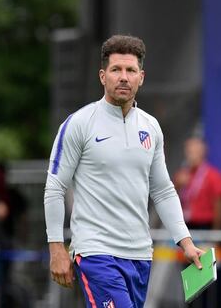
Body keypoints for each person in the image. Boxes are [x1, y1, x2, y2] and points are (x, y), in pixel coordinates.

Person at [44, 35, 203, 308]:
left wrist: (185, 242)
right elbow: (55, 187)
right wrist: (56, 247)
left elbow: (163, 190)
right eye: (116, 70)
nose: (123, 77)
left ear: (141, 77)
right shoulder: (79, 124)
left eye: (130, 71)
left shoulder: (151, 127)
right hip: (96, 253)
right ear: (102, 76)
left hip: (140, 255)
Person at [174, 137, 221, 230]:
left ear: (203, 152)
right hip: (184, 224)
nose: (190, 155)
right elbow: (169, 201)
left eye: (194, 151)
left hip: (204, 226)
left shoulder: (214, 175)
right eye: (188, 151)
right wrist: (177, 186)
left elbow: (219, 206)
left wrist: (216, 234)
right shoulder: (182, 174)